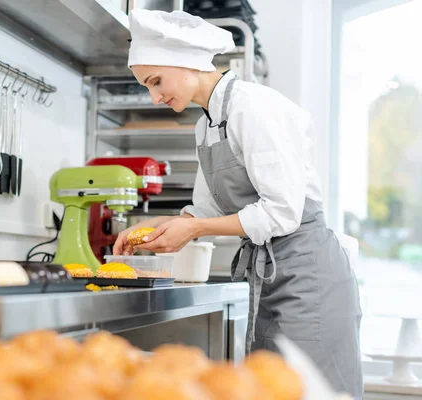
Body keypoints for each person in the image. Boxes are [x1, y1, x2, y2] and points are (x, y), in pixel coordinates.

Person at [113, 8, 363, 398]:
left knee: (312, 391)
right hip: (267, 277)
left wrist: (193, 229)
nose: (154, 95)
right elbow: (206, 211)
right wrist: (154, 231)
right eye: (147, 86)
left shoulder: (252, 105)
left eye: (156, 80)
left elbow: (282, 211)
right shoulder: (207, 123)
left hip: (307, 275)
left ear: (186, 61)